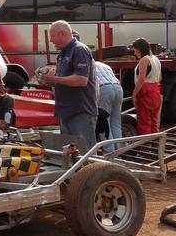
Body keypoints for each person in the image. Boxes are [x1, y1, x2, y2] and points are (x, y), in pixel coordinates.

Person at [43, 20, 98, 152]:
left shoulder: (79, 50)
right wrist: (50, 80)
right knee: (70, 154)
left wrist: (54, 79)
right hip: (67, 111)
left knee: (86, 154)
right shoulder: (63, 53)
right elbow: (64, 79)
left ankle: (90, 173)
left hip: (80, 111)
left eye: (52, 36)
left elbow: (81, 80)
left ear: (62, 34)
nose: (51, 40)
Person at [132, 38, 162, 134]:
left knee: (144, 122)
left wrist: (134, 94)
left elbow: (141, 79)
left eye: (135, 50)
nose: (134, 53)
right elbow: (160, 77)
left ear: (139, 49)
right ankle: (155, 145)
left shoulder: (144, 60)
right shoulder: (156, 59)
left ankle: (146, 146)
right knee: (154, 121)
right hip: (156, 91)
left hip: (146, 92)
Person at [94, 61, 123, 152]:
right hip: (118, 88)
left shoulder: (87, 65)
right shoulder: (103, 65)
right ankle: (120, 151)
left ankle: (109, 152)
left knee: (104, 124)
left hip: (103, 89)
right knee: (116, 123)